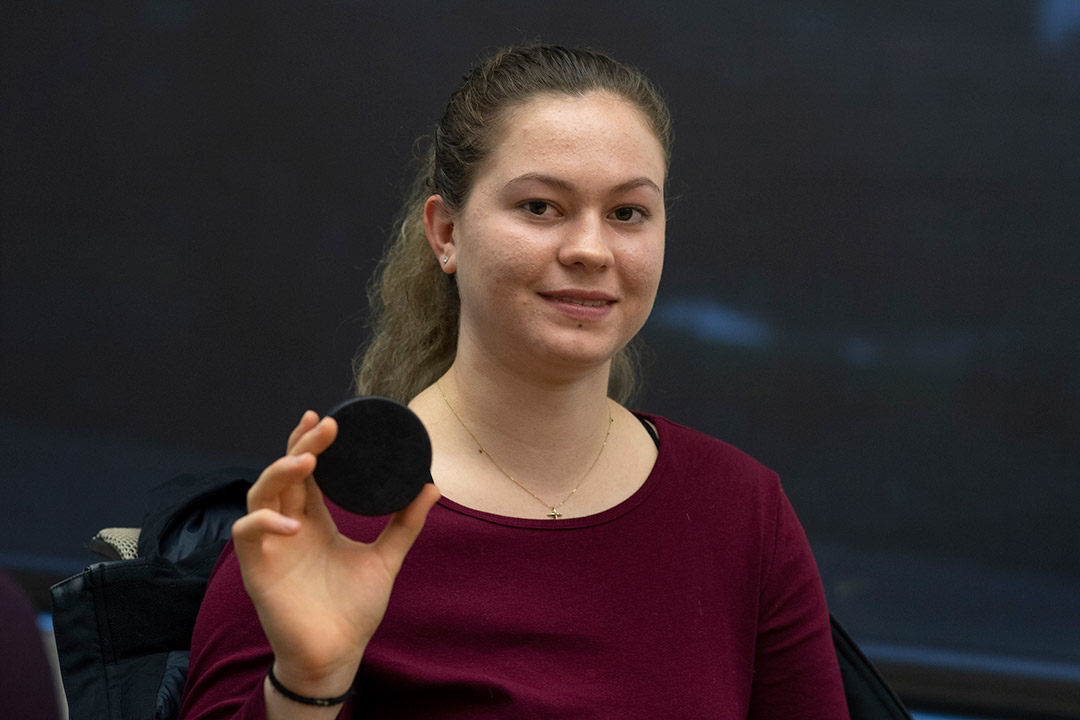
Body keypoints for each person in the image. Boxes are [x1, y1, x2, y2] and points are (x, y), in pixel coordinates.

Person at [178, 44, 849, 719]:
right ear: (446, 232)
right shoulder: (325, 523)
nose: (590, 249)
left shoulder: (739, 510)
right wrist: (307, 682)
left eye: (627, 213)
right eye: (540, 207)